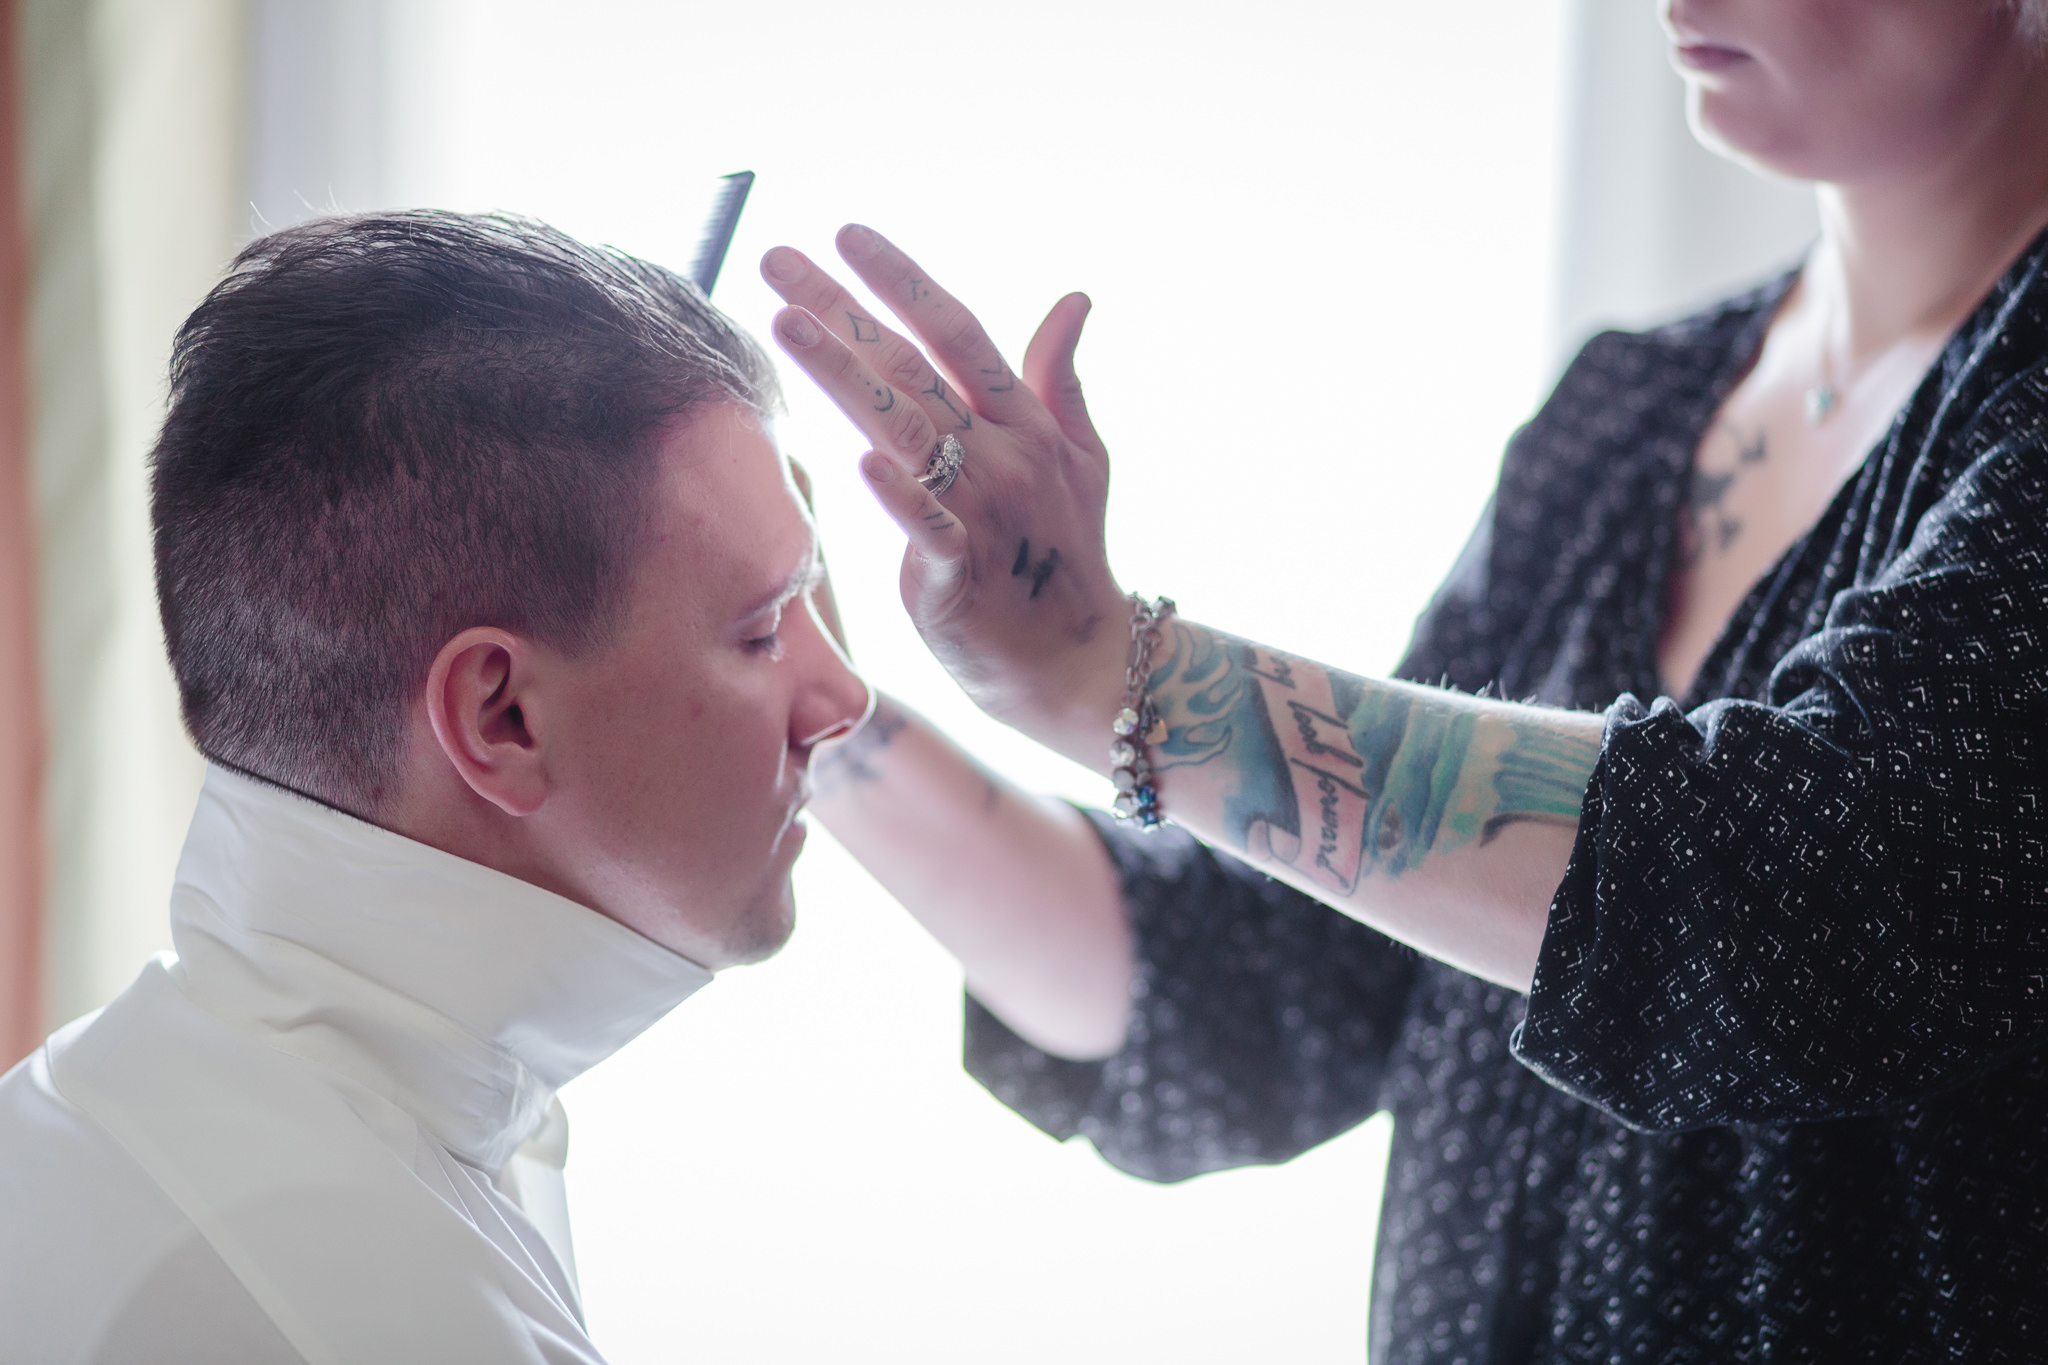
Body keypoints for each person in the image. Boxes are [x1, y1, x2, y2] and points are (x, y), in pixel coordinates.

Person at [784, 0, 2048, 1357]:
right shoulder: (1630, 409)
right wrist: (802, 700)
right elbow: (1288, 976)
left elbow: (1798, 903)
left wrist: (1113, 673)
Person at [0, 212, 868, 1364]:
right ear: (499, 716)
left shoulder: (80, 1116)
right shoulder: (401, 1322)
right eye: (765, 629)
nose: (846, 695)